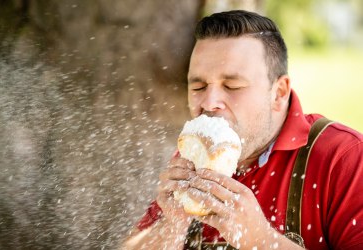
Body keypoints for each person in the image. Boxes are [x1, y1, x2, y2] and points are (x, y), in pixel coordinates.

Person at [123, 10, 363, 250]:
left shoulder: (345, 157)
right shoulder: (192, 158)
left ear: (278, 93)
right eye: (198, 87)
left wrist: (262, 240)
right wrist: (172, 225)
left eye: (232, 85)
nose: (209, 102)